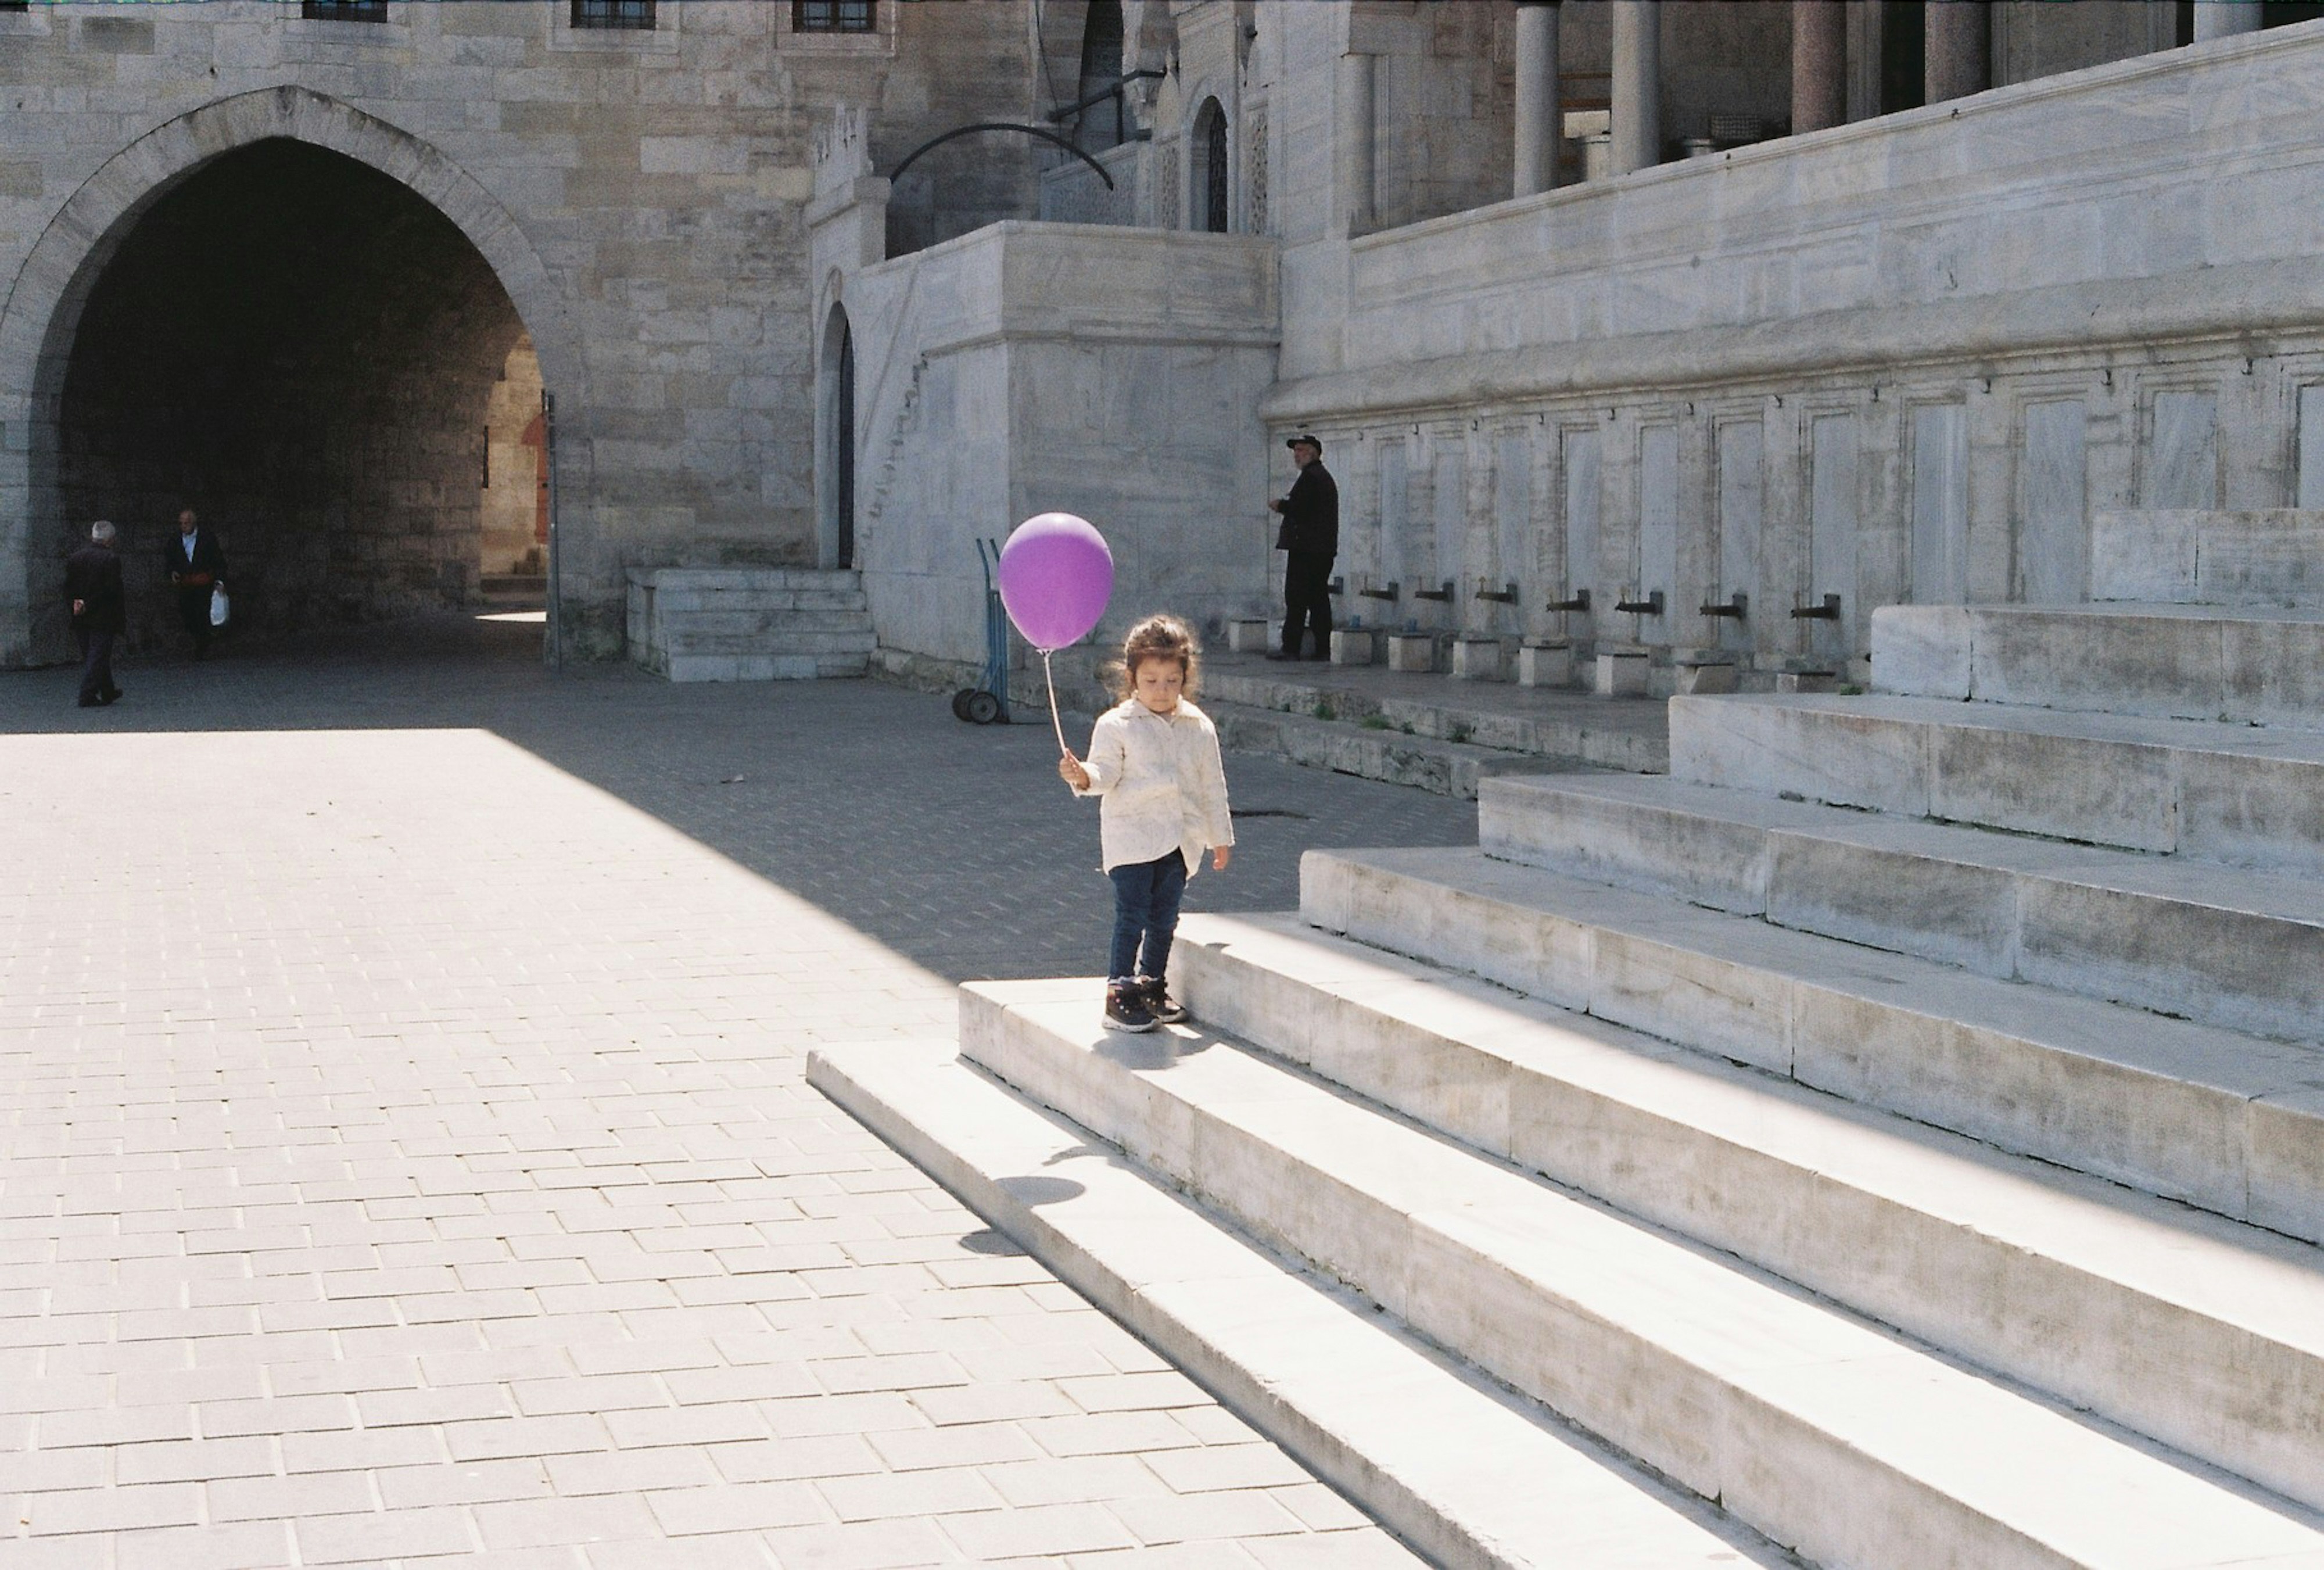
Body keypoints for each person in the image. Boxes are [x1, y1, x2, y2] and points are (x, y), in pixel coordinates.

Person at [1057, 614, 1236, 1034]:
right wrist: (1081, 775)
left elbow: (1212, 784)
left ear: (1185, 678)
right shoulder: (1116, 725)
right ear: (1132, 678)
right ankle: (1119, 993)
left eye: (1172, 680)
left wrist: (1219, 837)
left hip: (1180, 840)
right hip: (1133, 838)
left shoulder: (1199, 726)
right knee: (1132, 913)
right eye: (1151, 680)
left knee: (1164, 916)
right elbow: (1103, 773)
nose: (1162, 690)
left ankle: (1151, 984)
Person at [1268, 432, 1337, 661]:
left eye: (1301, 450)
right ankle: (1322, 649)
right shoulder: (1319, 476)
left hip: (1307, 549)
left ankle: (1292, 648)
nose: (1296, 455)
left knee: (1297, 598)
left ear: (1313, 452)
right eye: (1296, 450)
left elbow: (1302, 509)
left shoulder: (1312, 477)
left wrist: (1281, 506)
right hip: (1319, 549)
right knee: (1317, 598)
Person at [64, 520, 126, 708]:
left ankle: (108, 690)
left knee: (95, 655)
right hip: (103, 616)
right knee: (98, 655)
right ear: (110, 540)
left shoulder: (76, 557)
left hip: (80, 615)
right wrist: (87, 603)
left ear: (93, 536)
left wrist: (76, 603)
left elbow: (68, 587)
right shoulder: (111, 559)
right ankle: (87, 695)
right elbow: (110, 590)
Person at [163, 508, 226, 659]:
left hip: (203, 583)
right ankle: (200, 638)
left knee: (202, 613)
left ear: (193, 523)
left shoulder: (207, 538)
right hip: (185, 583)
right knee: (186, 613)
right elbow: (170, 560)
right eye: (181, 523)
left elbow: (217, 560)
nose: (184, 526)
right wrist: (172, 572)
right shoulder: (175, 540)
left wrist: (219, 580)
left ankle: (202, 644)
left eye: (186, 523)